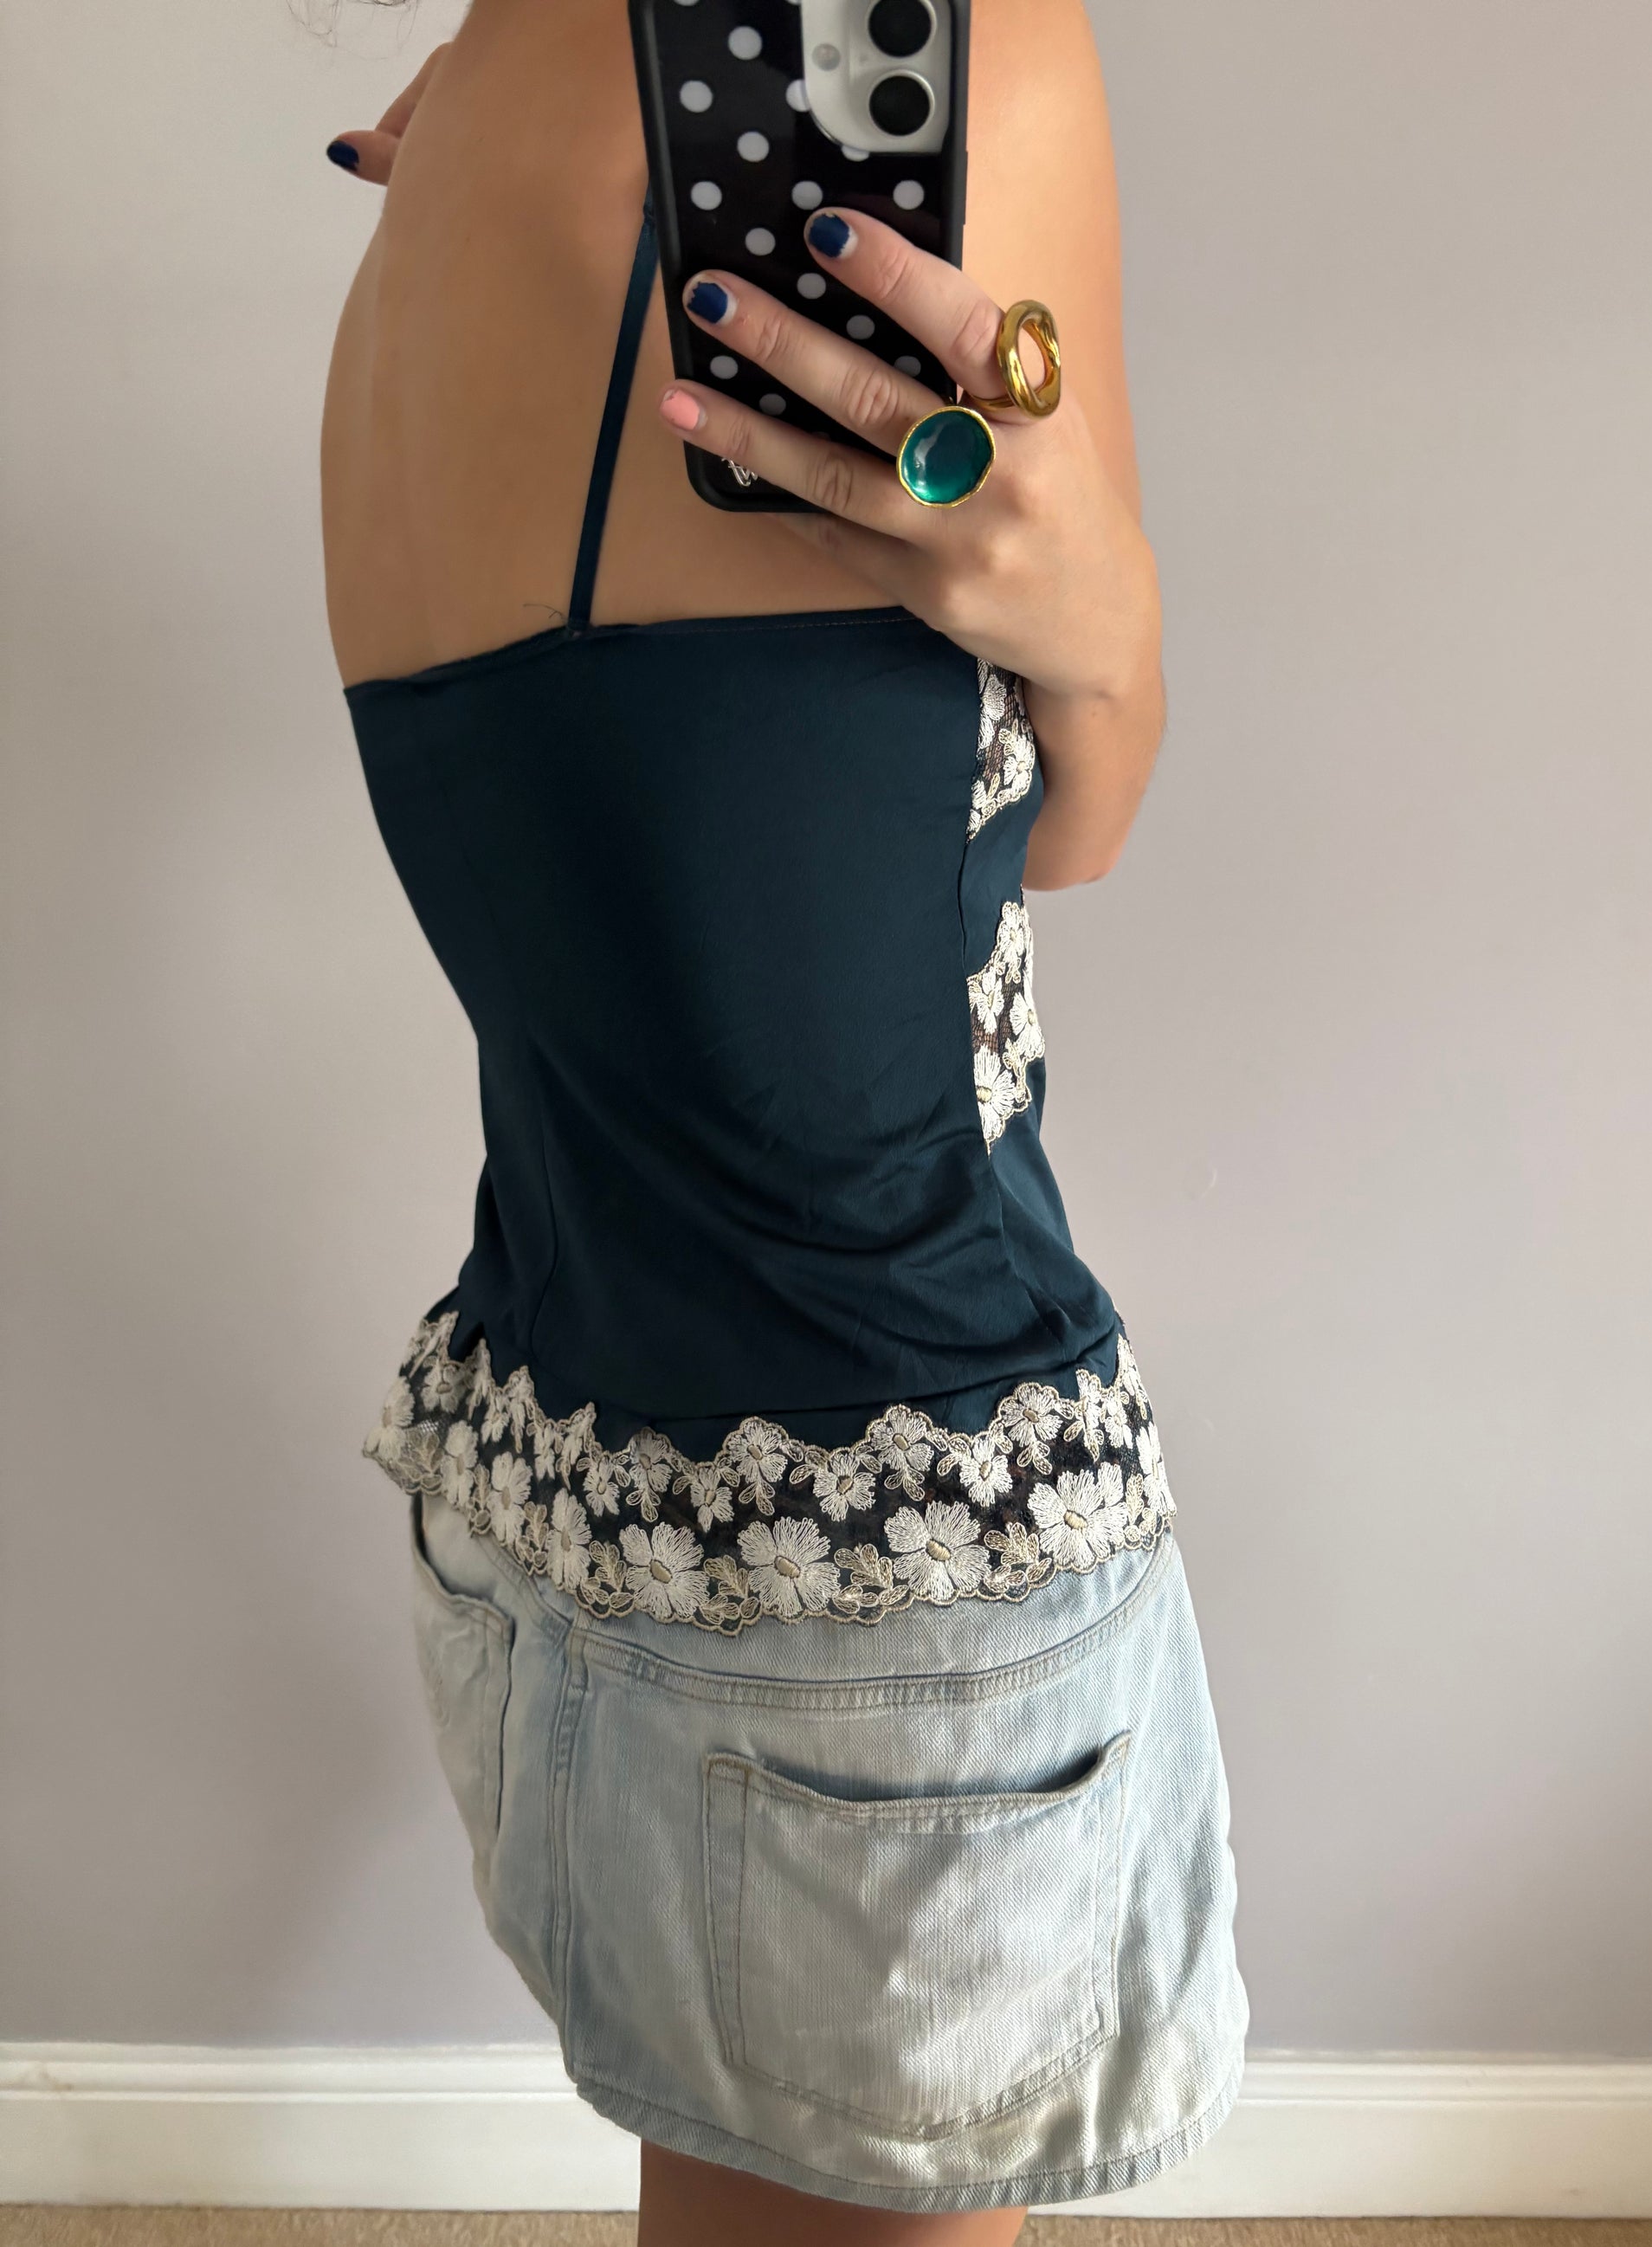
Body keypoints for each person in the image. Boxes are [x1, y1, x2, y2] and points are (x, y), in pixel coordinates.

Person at [320, 2, 1249, 2237]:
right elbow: (1076, 821)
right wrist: (1107, 624)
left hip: (574, 1483)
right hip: (891, 1581)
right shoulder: (965, 56)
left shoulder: (464, 117)